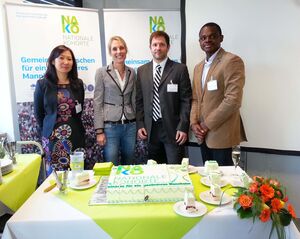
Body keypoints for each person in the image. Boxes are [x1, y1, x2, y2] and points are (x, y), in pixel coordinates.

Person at [190, 22, 247, 166]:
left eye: (212, 36)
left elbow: (233, 101)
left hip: (222, 136)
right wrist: (193, 123)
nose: (207, 40)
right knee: (210, 179)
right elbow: (196, 99)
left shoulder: (231, 61)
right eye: (203, 38)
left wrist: (205, 125)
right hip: (203, 136)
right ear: (200, 42)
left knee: (225, 182)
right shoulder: (198, 68)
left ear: (221, 38)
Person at [136, 31, 192, 164]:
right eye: (154, 44)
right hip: (150, 130)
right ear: (150, 47)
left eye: (161, 44)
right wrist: (140, 124)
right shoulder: (142, 70)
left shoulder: (180, 69)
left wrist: (183, 126)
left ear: (168, 47)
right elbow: (139, 100)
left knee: (175, 170)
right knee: (155, 171)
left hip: (173, 130)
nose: (158, 48)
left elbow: (186, 101)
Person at [34, 45, 85, 176]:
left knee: (77, 174)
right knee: (55, 176)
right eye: (61, 58)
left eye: (69, 59)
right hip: (53, 138)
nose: (66, 62)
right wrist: (48, 131)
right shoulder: (43, 84)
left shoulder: (78, 84)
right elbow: (38, 113)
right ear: (52, 61)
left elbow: (80, 108)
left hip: (75, 136)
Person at [93, 36, 136, 165]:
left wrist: (140, 123)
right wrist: (99, 130)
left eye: (121, 48)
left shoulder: (132, 72)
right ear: (110, 52)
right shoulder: (101, 72)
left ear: (126, 50)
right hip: (110, 127)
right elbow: (97, 102)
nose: (119, 51)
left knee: (128, 163)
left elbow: (134, 100)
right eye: (114, 49)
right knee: (111, 164)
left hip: (130, 126)